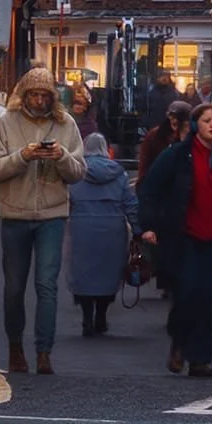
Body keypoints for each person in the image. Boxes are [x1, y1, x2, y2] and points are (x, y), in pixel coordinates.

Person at [138, 102, 212, 379]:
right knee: (188, 294)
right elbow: (150, 189)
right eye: (207, 121)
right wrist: (147, 226)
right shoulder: (177, 155)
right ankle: (179, 343)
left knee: (210, 298)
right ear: (195, 125)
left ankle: (200, 359)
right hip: (185, 235)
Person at [0, 64, 86, 374]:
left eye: (45, 95)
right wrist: (23, 156)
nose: (40, 101)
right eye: (34, 95)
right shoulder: (5, 123)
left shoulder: (66, 124)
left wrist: (62, 157)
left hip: (52, 214)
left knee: (47, 286)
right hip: (15, 213)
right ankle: (15, 346)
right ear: (23, 95)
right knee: (14, 287)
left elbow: (79, 171)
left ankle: (44, 351)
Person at [67, 130, 137, 336]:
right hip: (113, 228)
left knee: (84, 273)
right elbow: (130, 204)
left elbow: (65, 199)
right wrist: (139, 229)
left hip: (82, 226)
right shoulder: (120, 174)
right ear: (107, 150)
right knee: (109, 273)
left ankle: (87, 318)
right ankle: (101, 317)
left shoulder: (75, 172)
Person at [137, 97, 192, 182]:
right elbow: (145, 163)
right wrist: (142, 184)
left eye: (179, 117)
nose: (174, 120)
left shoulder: (192, 137)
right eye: (171, 116)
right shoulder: (155, 135)